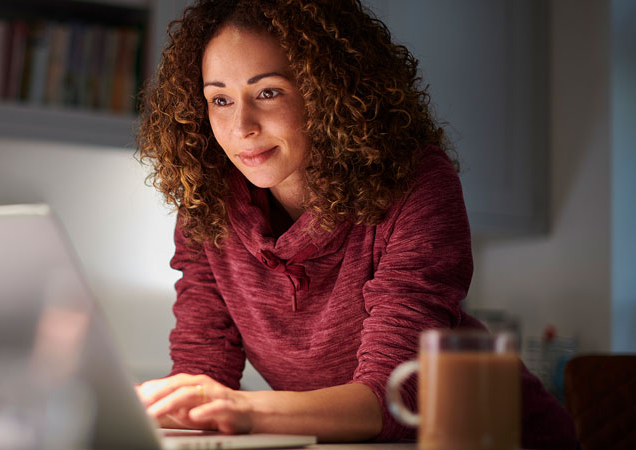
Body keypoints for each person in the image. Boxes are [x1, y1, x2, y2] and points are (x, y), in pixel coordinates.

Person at [134, 0, 577, 447]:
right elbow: (200, 372)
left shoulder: (414, 184)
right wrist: (160, 406)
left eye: (268, 92)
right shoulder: (207, 202)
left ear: (329, 91)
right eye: (220, 99)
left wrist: (244, 408)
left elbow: (393, 398)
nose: (240, 126)